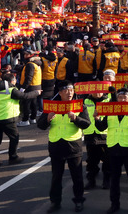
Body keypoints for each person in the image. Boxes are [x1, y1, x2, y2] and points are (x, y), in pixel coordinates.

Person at [37, 80, 91, 213]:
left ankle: (79, 201)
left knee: (77, 176)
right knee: (56, 177)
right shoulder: (51, 106)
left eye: (72, 90)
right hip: (56, 146)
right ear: (60, 92)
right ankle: (55, 202)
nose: (70, 93)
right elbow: (41, 125)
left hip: (73, 146)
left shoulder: (79, 106)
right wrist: (48, 118)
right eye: (66, 90)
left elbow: (87, 124)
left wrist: (76, 119)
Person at [94, 87, 128, 214]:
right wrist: (97, 119)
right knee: (114, 178)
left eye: (125, 97)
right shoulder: (111, 111)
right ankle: (114, 204)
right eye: (120, 97)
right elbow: (102, 127)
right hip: (114, 148)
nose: (122, 99)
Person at [0, 73, 41, 167]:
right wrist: (37, 93)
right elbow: (25, 96)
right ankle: (13, 157)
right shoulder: (11, 91)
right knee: (14, 137)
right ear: (11, 81)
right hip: (8, 118)